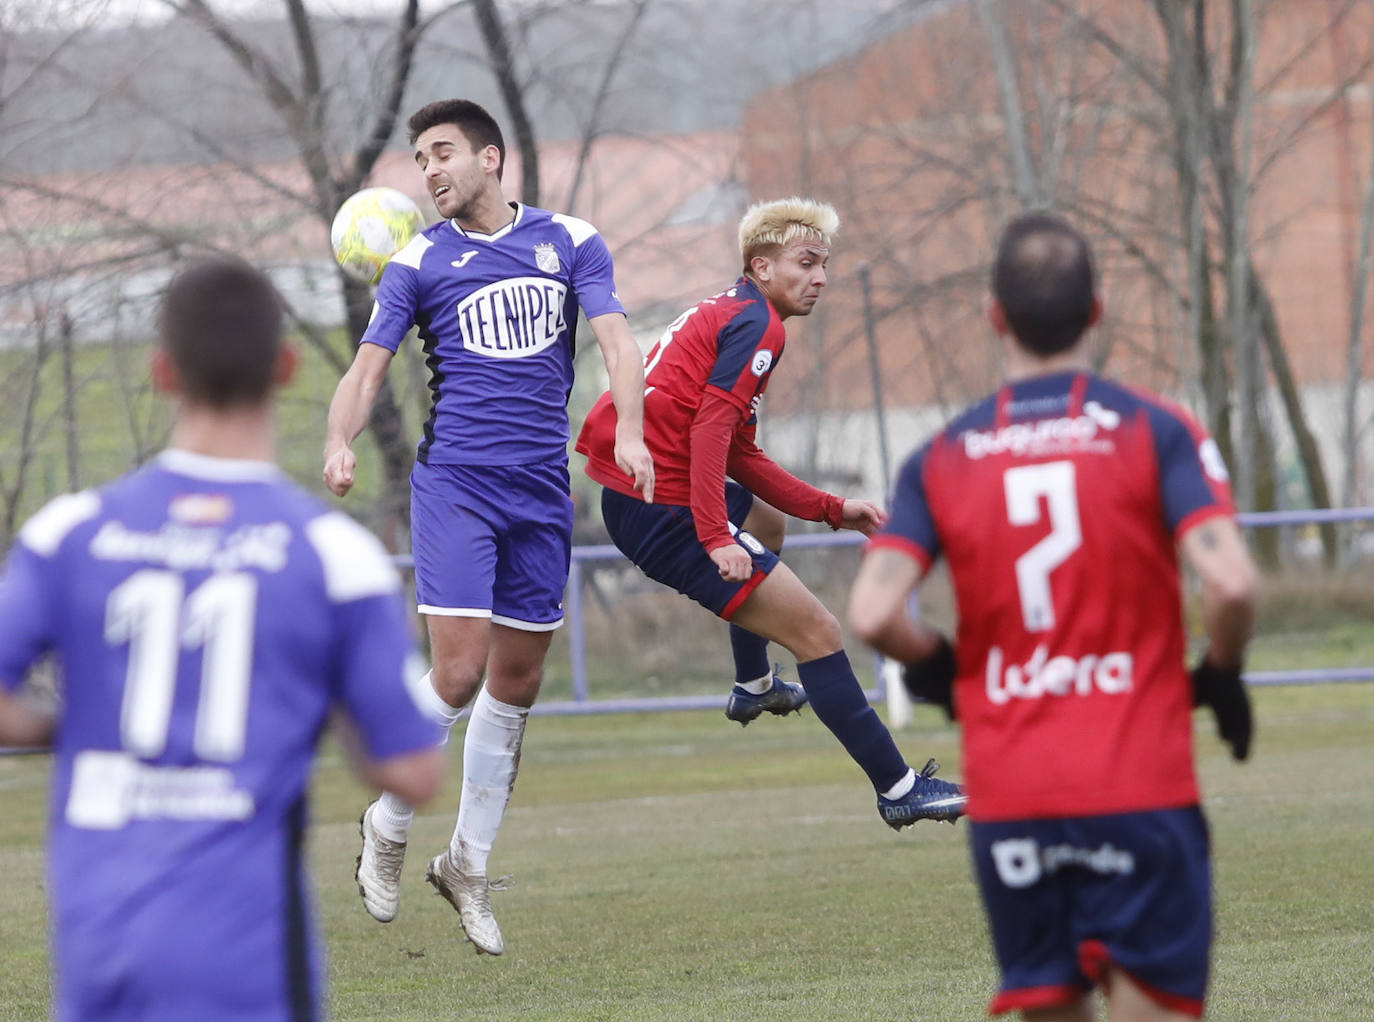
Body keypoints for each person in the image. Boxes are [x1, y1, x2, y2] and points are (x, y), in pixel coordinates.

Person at [0, 258, 444, 1022]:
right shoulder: (333, 559)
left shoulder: (70, 532)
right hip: (246, 961)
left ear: (161, 372)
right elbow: (413, 770)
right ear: (286, 366)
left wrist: (75, 730)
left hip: (101, 945)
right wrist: (321, 705)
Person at [847, 212, 1258, 1021]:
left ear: (994, 315)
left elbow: (871, 610)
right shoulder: (1156, 429)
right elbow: (1234, 585)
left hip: (1016, 796)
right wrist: (1221, 675)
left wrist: (946, 674)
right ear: (1097, 310)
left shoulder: (944, 454)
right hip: (1141, 786)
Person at [323, 98, 654, 956]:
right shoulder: (417, 262)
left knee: (518, 684)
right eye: (420, 158)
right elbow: (369, 367)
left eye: (442, 153)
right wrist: (339, 439)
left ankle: (466, 862)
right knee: (460, 671)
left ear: (492, 158)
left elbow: (618, 342)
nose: (429, 171)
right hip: (457, 486)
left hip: (543, 493)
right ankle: (388, 822)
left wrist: (629, 426)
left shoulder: (570, 240)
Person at [576, 196, 966, 829]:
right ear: (759, 266)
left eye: (824, 265)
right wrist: (712, 538)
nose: (820, 278)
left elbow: (739, 453)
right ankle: (898, 790)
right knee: (821, 635)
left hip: (634, 494)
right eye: (806, 262)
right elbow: (708, 437)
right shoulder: (761, 327)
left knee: (767, 524)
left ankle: (754, 684)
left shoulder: (733, 312)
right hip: (664, 506)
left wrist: (835, 509)